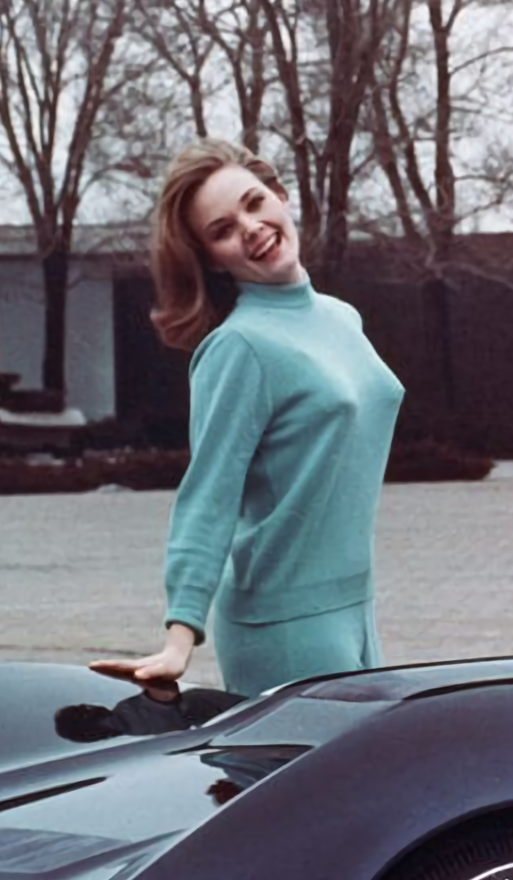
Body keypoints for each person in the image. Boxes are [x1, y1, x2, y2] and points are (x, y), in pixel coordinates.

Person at [90, 139, 403, 698]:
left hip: (356, 605)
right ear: (212, 259)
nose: (250, 227)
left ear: (281, 197)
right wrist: (180, 637)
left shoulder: (341, 317)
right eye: (222, 229)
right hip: (283, 626)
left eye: (255, 203)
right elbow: (209, 495)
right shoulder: (238, 348)